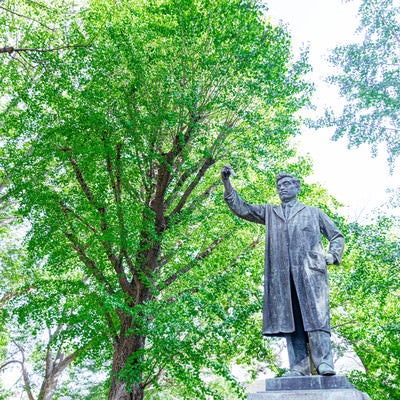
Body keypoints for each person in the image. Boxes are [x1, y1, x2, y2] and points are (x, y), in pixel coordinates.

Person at [221, 165, 345, 377]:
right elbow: (242, 208)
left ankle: (324, 362)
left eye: (287, 184)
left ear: (297, 188)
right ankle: (299, 367)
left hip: (310, 274)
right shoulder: (271, 212)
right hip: (283, 277)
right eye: (279, 186)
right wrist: (226, 183)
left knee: (316, 317)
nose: (282, 189)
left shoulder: (313, 213)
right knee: (291, 320)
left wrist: (332, 256)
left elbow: (337, 236)